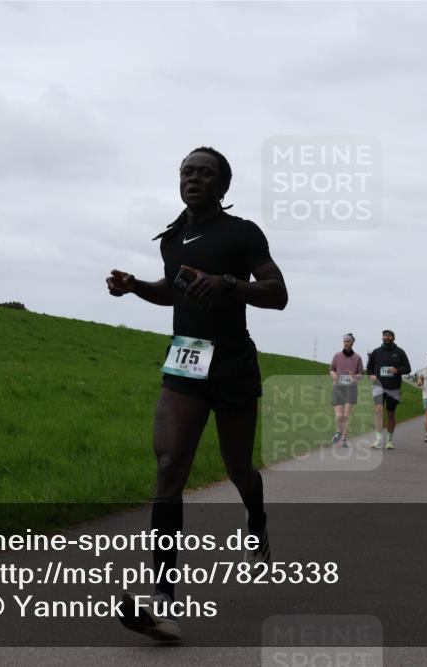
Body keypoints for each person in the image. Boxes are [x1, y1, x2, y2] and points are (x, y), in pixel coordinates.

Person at [105, 146, 288, 641]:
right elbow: (172, 290)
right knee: (169, 467)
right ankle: (162, 597)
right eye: (188, 171)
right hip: (185, 360)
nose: (195, 178)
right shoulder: (172, 237)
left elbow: (278, 293)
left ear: (222, 186)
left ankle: (256, 513)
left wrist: (228, 283)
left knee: (237, 468)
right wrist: (135, 285)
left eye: (206, 173)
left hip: (231, 363)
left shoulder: (243, 233)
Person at [366, 330, 411, 449]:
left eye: (389, 336)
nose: (386, 337)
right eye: (384, 335)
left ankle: (389, 440)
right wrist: (371, 375)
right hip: (378, 386)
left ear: (393, 338)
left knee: (391, 414)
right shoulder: (376, 352)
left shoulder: (400, 352)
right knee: (378, 411)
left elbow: (408, 368)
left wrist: (397, 371)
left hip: (393, 388)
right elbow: (369, 367)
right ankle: (378, 440)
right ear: (382, 337)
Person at [329, 333, 363, 447]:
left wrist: (355, 376)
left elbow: (361, 374)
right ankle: (339, 431)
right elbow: (331, 369)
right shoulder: (337, 356)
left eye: (348, 341)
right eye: (345, 341)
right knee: (339, 416)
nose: (346, 343)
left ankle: (344, 438)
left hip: (351, 388)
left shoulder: (357, 357)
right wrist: (333, 375)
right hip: (338, 387)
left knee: (346, 415)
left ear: (352, 343)